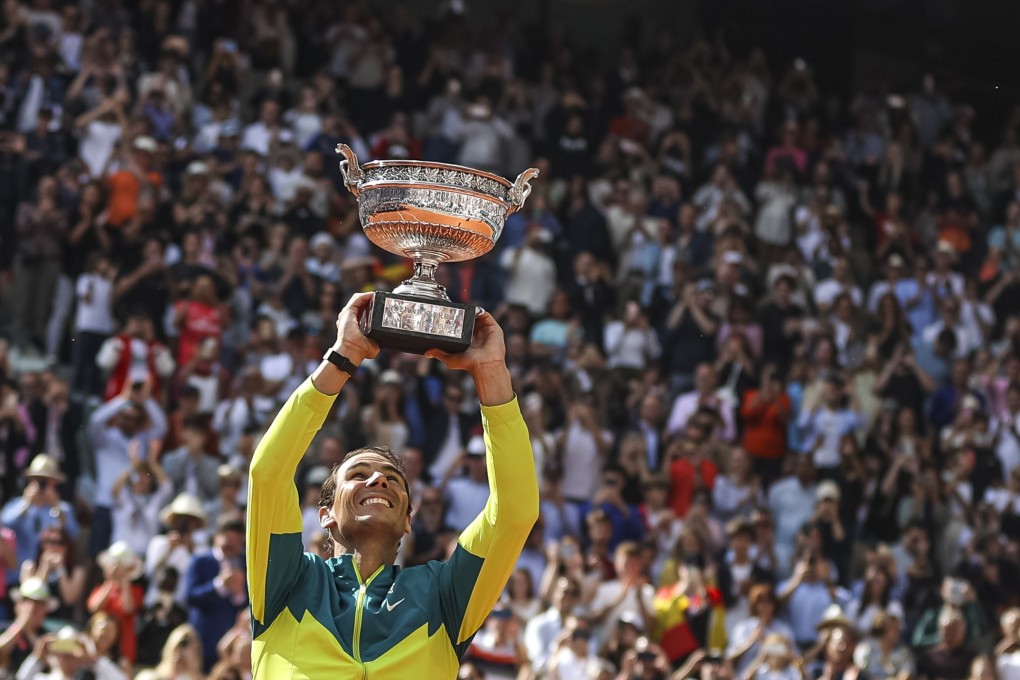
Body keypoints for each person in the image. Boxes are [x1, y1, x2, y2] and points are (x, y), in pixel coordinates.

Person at [246, 293, 539, 677]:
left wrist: (492, 374)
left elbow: (516, 510)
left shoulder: (443, 596)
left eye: (394, 481)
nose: (378, 479)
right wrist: (342, 357)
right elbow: (268, 473)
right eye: (358, 474)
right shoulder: (286, 582)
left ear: (408, 522)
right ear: (325, 515)